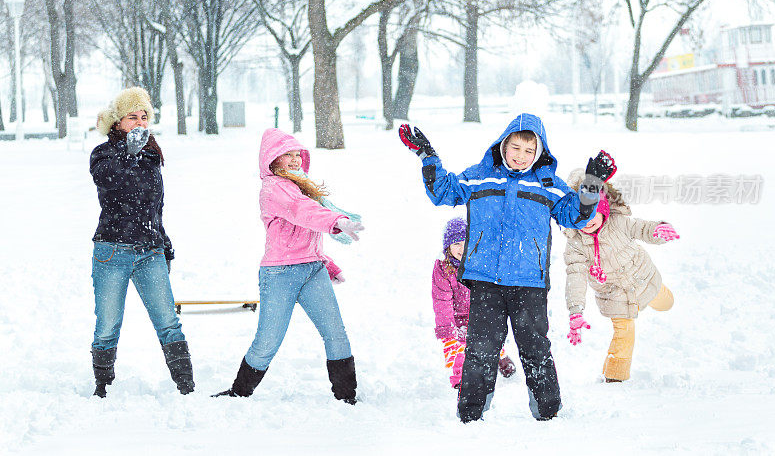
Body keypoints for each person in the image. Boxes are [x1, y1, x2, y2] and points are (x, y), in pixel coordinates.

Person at [399, 113, 616, 422]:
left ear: (540, 153)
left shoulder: (548, 184)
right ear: (503, 144)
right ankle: (471, 414)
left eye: (529, 151)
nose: (521, 156)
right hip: (486, 280)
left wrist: (592, 184)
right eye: (515, 147)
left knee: (536, 348)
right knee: (480, 349)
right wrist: (427, 156)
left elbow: (576, 217)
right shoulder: (479, 176)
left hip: (529, 282)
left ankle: (548, 412)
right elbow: (443, 193)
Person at [214, 128, 364, 403]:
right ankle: (239, 392)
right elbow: (301, 212)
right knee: (268, 340)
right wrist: (335, 222)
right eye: (288, 155)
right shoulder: (273, 188)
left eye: (298, 155)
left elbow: (302, 234)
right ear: (273, 159)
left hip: (312, 271)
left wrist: (325, 262)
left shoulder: (301, 185)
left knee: (335, 333)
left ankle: (347, 397)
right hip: (279, 275)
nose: (295, 160)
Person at [89, 87, 194, 397]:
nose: (139, 122)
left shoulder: (151, 154)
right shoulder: (103, 153)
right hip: (112, 251)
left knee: (168, 321)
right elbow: (109, 181)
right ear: (118, 122)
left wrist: (164, 243)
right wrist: (128, 153)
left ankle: (187, 388)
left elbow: (152, 206)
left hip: (150, 251)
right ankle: (102, 389)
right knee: (108, 326)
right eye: (131, 116)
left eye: (144, 116)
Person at [563, 169, 678, 382]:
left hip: (643, 278)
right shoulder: (576, 245)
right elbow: (575, 276)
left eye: (591, 212)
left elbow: (642, 228)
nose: (586, 221)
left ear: (603, 206)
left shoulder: (618, 222)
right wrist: (575, 310)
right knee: (624, 331)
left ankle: (660, 295)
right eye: (579, 216)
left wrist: (657, 231)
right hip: (613, 294)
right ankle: (615, 376)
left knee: (666, 302)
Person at [433, 217, 516, 389]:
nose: (461, 249)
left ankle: (499, 355)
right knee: (459, 350)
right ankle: (460, 378)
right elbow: (442, 302)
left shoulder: (480, 264)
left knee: (489, 339)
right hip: (456, 318)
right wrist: (448, 332)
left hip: (480, 312)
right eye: (456, 244)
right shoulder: (443, 269)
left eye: (465, 242)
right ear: (447, 246)